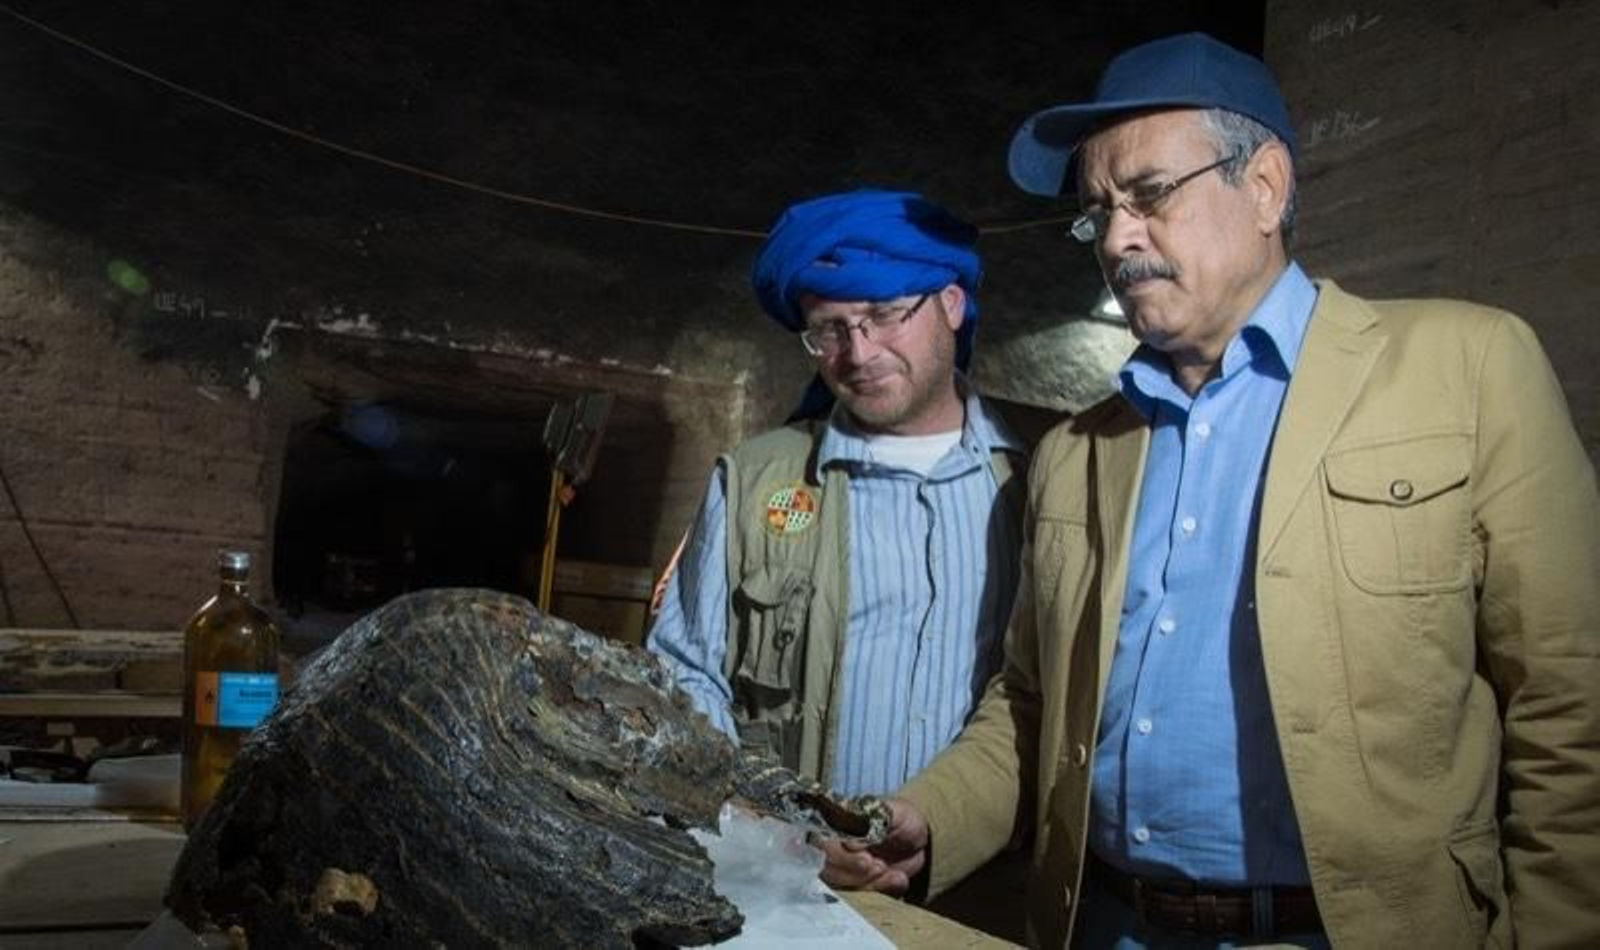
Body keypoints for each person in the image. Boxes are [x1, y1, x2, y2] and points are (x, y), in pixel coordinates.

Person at [823, 32, 1600, 949]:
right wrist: (931, 818)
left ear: (1264, 186)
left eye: (1150, 196)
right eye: (1098, 212)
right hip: (1103, 926)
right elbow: (1032, 703)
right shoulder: (1079, 449)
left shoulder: (1465, 370)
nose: (1116, 237)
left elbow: (1569, 700)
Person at [646, 188, 1027, 800]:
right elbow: (683, 672)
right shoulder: (751, 481)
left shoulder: (1039, 479)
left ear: (952, 303)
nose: (859, 353)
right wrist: (762, 822)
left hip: (984, 885)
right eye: (829, 330)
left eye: (884, 314)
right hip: (792, 871)